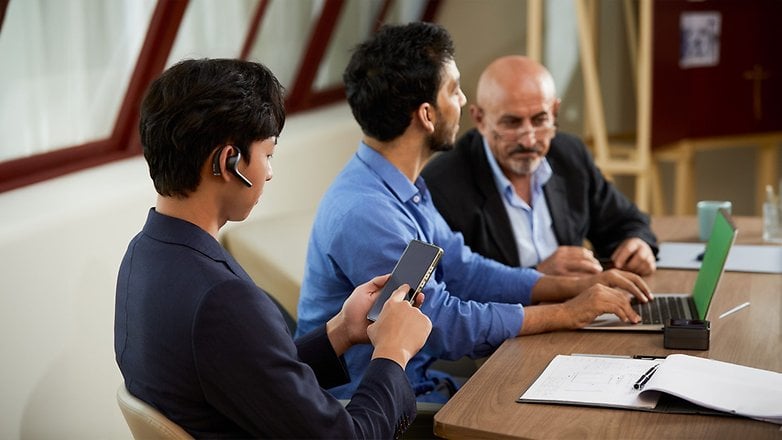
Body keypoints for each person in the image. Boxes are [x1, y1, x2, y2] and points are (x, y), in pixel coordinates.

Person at [296, 22, 652, 404]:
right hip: (382, 409)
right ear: (427, 116)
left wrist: (568, 286)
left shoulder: (401, 186)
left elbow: (465, 268)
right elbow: (440, 325)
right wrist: (566, 313)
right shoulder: (368, 212)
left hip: (421, 382)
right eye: (455, 90)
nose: (463, 102)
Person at [114, 58, 433, 438]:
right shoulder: (222, 299)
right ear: (227, 161)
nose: (269, 172)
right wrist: (393, 353)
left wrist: (342, 331)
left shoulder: (143, 254)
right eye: (267, 154)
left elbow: (253, 376)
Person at [422, 55, 658, 277]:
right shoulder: (443, 184)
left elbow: (626, 221)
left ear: (554, 112)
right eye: (512, 123)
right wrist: (537, 277)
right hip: (514, 318)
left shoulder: (569, 154)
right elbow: (451, 284)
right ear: (480, 120)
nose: (529, 140)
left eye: (539, 120)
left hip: (585, 308)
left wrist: (637, 242)